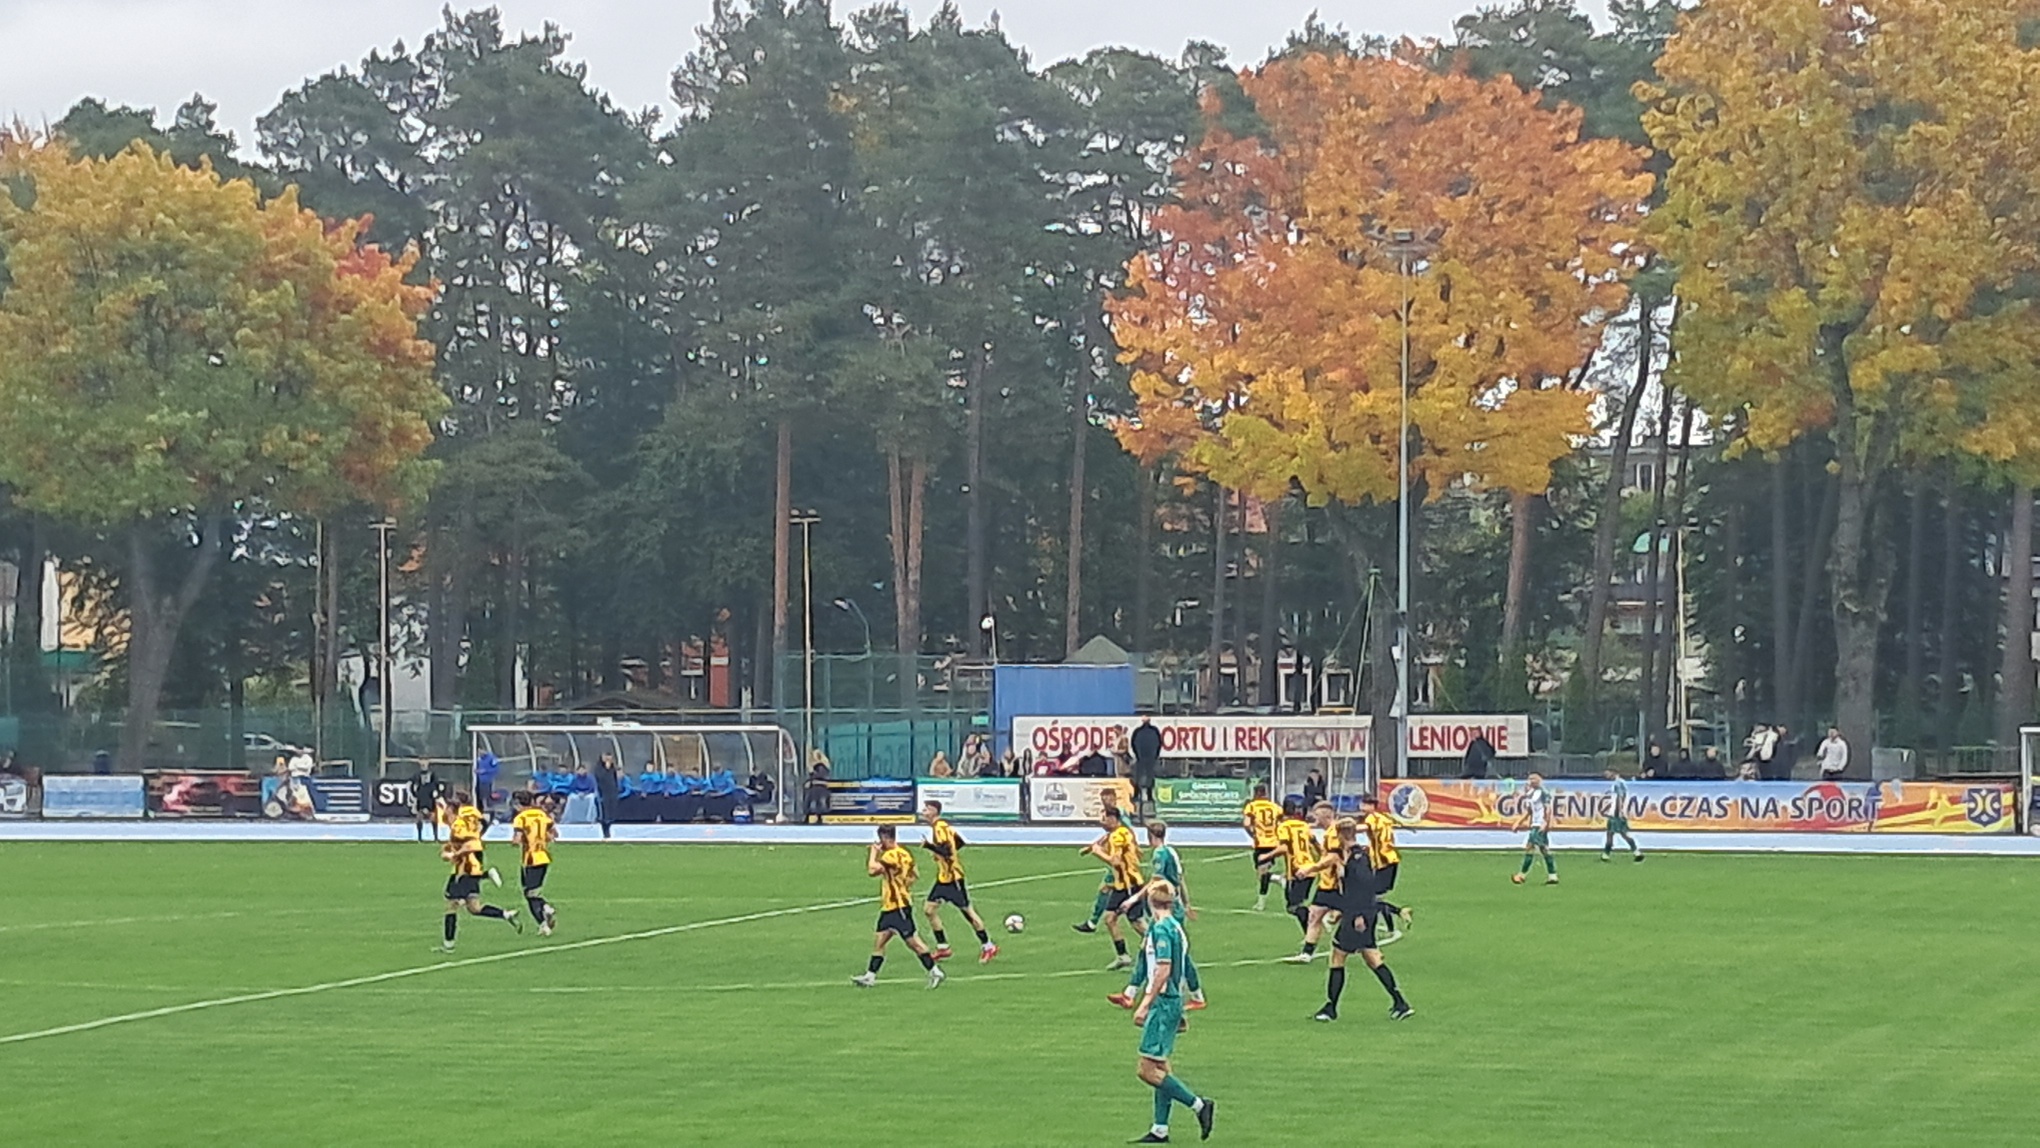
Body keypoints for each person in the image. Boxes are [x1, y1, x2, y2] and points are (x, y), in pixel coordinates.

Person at [1129, 880, 1216, 1144]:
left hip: (1163, 1002)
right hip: (1172, 1001)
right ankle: (1160, 1129)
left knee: (1146, 1069)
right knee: (1161, 1066)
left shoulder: (1161, 929)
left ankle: (1199, 1104)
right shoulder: (1176, 927)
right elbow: (1184, 966)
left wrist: (1145, 1003)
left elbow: (1163, 969)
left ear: (1150, 902)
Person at [1311, 824, 1414, 1023]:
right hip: (1360, 913)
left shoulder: (1357, 859)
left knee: (1338, 956)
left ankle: (1330, 1008)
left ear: (1341, 835)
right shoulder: (1356, 855)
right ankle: (1400, 1003)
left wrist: (1358, 916)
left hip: (1358, 915)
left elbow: (1364, 889)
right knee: (1372, 958)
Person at [1108, 820, 1206, 1012]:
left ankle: (1196, 996)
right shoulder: (1172, 852)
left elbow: (1157, 880)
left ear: (1149, 835)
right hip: (1174, 906)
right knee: (1146, 947)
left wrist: (1134, 899)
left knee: (1180, 954)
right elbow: (1180, 880)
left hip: (1167, 908)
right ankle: (1129, 993)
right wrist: (1187, 903)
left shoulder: (1160, 854)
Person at [852, 825, 944, 989]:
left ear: (885, 838)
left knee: (914, 943)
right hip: (891, 906)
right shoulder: (905, 854)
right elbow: (915, 874)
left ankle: (935, 971)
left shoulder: (890, 855)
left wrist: (873, 852)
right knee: (880, 941)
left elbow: (872, 870)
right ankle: (870, 976)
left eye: (880, 839)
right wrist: (904, 885)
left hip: (898, 907)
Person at [440, 789, 518, 952]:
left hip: (466, 868)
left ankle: (449, 944)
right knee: (474, 907)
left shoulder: (459, 825)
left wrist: (455, 854)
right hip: (470, 865)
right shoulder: (464, 820)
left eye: (446, 808)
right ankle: (505, 914)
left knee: (452, 905)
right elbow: (478, 830)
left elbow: (470, 843)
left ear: (452, 810)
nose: (443, 811)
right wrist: (449, 851)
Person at [919, 800, 998, 964]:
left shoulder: (940, 828)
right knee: (929, 909)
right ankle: (943, 947)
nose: (923, 811)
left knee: (968, 913)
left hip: (953, 879)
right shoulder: (943, 827)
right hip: (944, 878)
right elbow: (959, 842)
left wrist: (930, 847)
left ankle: (988, 946)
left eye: (926, 809)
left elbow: (947, 851)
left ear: (934, 811)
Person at [1082, 805, 1147, 970]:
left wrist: (1098, 852)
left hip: (1130, 884)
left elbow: (1115, 862)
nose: (1101, 822)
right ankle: (1123, 956)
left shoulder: (1117, 836)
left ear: (1112, 819)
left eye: (1104, 818)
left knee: (1136, 922)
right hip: (1121, 885)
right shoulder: (1119, 833)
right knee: (1110, 919)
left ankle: (1161, 944)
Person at [1284, 801, 1345, 963]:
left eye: (1316, 815)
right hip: (1326, 884)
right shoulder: (1329, 833)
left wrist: (1310, 869)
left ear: (1325, 816)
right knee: (1314, 916)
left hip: (1338, 885)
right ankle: (1307, 953)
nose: (1314, 819)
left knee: (1353, 917)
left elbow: (1333, 858)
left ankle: (1366, 945)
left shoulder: (1334, 833)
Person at [1357, 793, 1410, 943]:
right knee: (1375, 898)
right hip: (1390, 859)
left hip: (1384, 861)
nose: (1362, 807)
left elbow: (1364, 828)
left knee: (1372, 898)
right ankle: (1391, 927)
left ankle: (1399, 912)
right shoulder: (1384, 818)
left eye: (1365, 804)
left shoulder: (1371, 818)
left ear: (1372, 806)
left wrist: (1342, 828)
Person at [510, 790, 560, 936]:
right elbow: (554, 834)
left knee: (530, 894)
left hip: (531, 859)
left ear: (518, 804)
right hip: (544, 857)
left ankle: (545, 911)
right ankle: (543, 922)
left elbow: (517, 839)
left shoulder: (521, 818)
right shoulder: (542, 815)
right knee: (532, 893)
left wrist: (516, 841)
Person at [1274, 798, 1319, 936]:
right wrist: (1323, 858)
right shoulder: (1303, 825)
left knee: (1293, 907)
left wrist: (1267, 856)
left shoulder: (1283, 827)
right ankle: (1310, 932)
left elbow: (1284, 847)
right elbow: (1315, 843)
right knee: (1296, 904)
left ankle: (1312, 928)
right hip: (1309, 868)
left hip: (1296, 870)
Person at [1240, 783, 1283, 911]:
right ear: (1266, 793)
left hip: (1261, 843)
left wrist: (1253, 835)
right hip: (1274, 842)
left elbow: (1246, 824)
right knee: (1262, 874)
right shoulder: (1275, 807)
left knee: (1262, 874)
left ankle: (1262, 902)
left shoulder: (1251, 806)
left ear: (1256, 793)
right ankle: (1263, 899)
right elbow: (1281, 824)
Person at [1511, 773, 1558, 885]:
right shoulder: (1531, 794)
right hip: (1534, 824)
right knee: (1544, 849)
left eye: (1533, 779)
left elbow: (1548, 809)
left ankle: (1521, 875)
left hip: (1539, 824)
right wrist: (1518, 822)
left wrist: (1545, 823)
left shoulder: (1543, 793)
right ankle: (1553, 875)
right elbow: (1529, 811)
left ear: (1539, 780)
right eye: (1530, 779)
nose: (1531, 781)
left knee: (1531, 847)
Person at [1600, 768, 1643, 863]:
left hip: (1616, 814)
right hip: (1615, 813)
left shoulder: (1618, 783)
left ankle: (1636, 852)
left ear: (1613, 772)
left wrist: (1619, 811)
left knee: (1620, 834)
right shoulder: (1620, 783)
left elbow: (1620, 798)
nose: (1606, 775)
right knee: (1612, 833)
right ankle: (1606, 854)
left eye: (1608, 773)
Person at [1130, 716, 1162, 819]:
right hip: (1146, 758)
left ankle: (1142, 796)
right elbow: (1159, 744)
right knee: (1144, 777)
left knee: (1144, 777)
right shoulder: (1148, 731)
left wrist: (1139, 755)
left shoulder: (1142, 731)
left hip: (1144, 758)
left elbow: (1158, 744)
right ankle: (1143, 796)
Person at [413, 768, 447, 843]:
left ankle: (435, 837)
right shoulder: (419, 786)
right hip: (421, 805)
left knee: (434, 820)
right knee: (419, 819)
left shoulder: (432, 786)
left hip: (430, 805)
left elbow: (437, 793)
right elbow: (416, 795)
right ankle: (419, 838)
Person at [592, 753, 622, 839]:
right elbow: (600, 778)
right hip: (602, 793)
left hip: (612, 793)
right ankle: (604, 830)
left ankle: (609, 829)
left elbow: (615, 780)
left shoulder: (613, 769)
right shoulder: (598, 768)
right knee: (604, 813)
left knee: (611, 813)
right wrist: (606, 769)